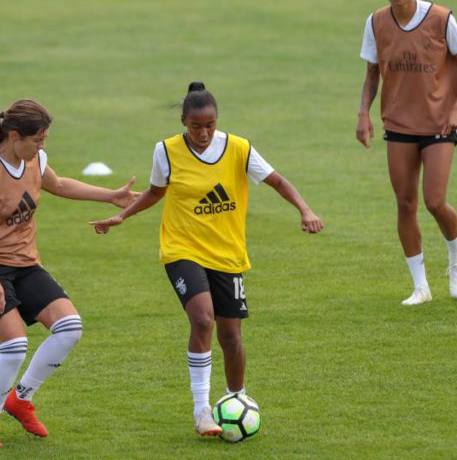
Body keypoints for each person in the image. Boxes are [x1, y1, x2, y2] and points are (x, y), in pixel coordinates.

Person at [90, 82, 324, 436]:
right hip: (182, 249)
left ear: (217, 120)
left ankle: (236, 399)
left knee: (231, 337)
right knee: (202, 319)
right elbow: (156, 192)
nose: (203, 133)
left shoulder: (239, 148)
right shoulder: (166, 151)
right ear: (183, 122)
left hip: (227, 254)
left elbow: (277, 181)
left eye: (210, 125)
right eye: (196, 126)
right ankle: (201, 411)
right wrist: (122, 216)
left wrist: (305, 210)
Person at [0, 99, 138, 448]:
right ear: (14, 135)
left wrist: (111, 196)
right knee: (14, 347)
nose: (41, 146)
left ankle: (21, 399)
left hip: (25, 264)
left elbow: (60, 185)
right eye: (37, 139)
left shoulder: (35, 160)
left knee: (70, 328)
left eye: (44, 139)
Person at [356, 0, 457, 306]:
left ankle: (456, 255)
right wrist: (363, 114)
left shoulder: (441, 19)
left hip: (439, 122)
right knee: (405, 203)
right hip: (399, 123)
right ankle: (421, 286)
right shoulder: (376, 22)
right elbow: (372, 73)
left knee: (434, 201)